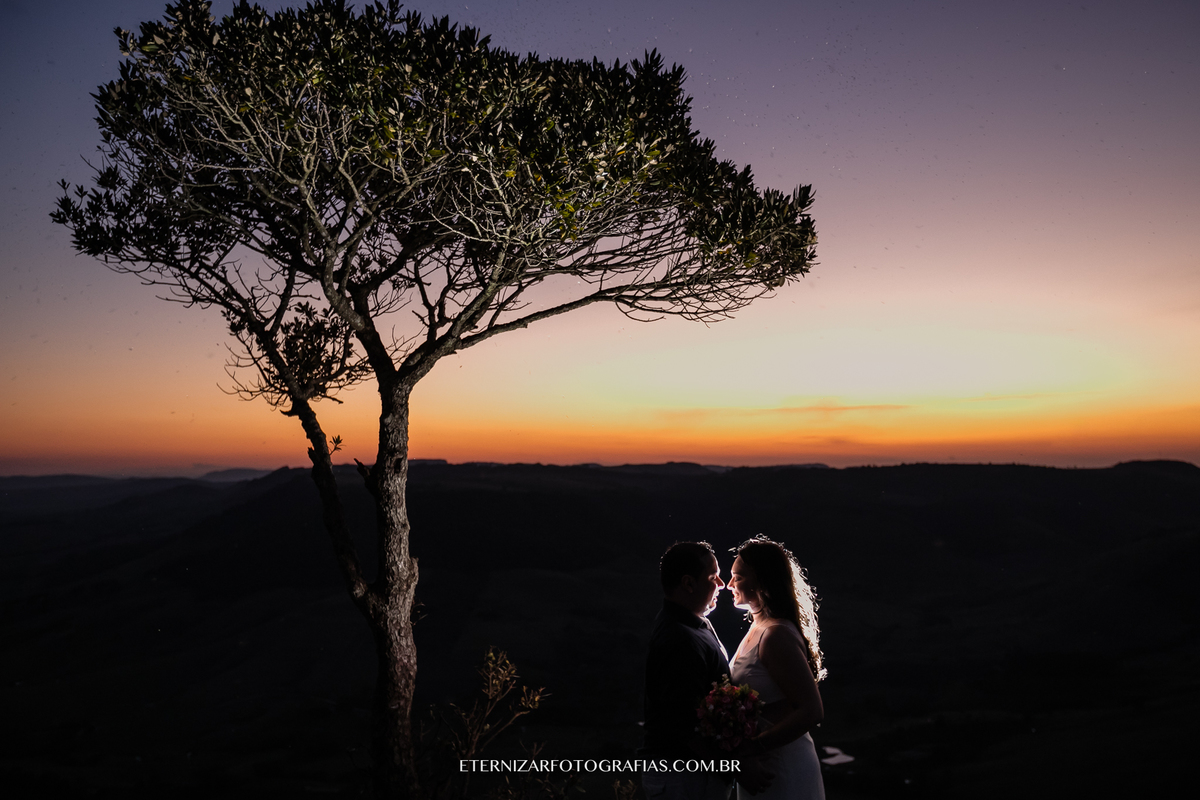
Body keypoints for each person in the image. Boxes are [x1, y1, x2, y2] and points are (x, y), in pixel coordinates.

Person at [641, 541, 767, 800]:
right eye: (712, 577)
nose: (721, 584)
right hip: (683, 777)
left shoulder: (693, 625)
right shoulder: (679, 639)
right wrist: (736, 767)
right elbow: (683, 722)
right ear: (688, 584)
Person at [727, 536, 827, 800]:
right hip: (762, 763)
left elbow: (812, 710)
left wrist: (753, 747)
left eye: (737, 577)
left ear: (761, 581)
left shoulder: (775, 635)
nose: (729, 585)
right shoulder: (758, 628)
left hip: (782, 765)